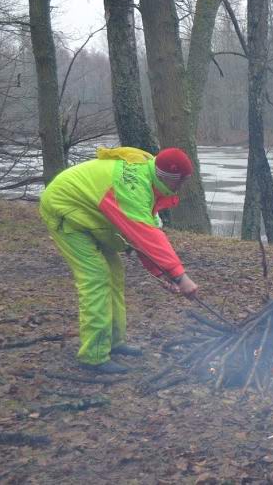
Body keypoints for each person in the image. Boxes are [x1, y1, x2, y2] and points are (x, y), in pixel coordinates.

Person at [39, 146, 200, 374]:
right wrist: (181, 278)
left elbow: (142, 238)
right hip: (66, 209)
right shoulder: (132, 188)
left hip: (92, 213)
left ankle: (114, 342)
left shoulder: (149, 177)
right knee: (96, 277)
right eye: (181, 182)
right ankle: (93, 356)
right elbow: (147, 237)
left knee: (114, 273)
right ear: (169, 178)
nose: (182, 187)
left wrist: (164, 275)